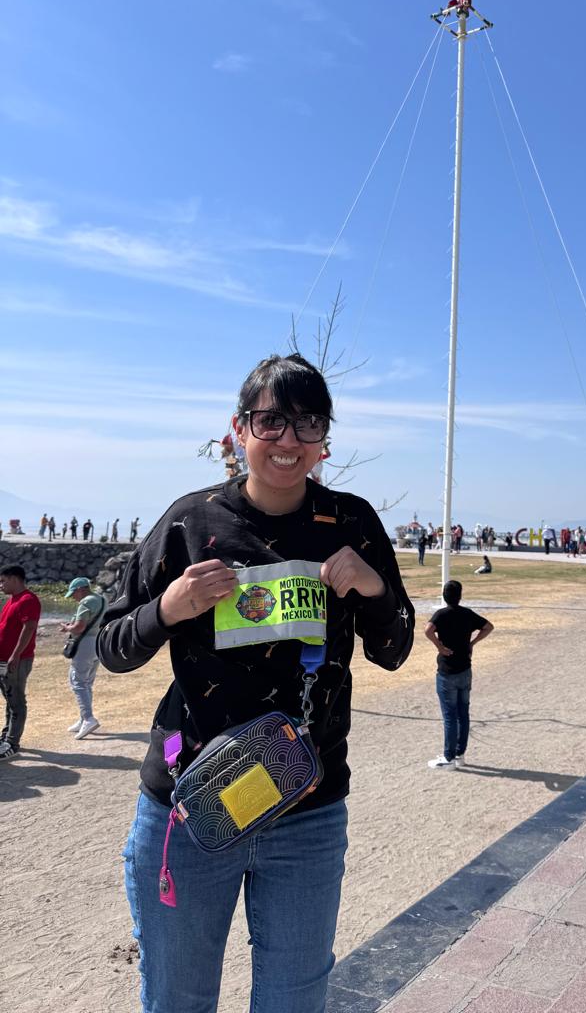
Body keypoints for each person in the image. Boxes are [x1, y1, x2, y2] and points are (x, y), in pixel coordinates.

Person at [97, 352, 414, 1012]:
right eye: (271, 423)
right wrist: (168, 609)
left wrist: (376, 589)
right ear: (237, 431)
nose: (288, 442)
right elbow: (112, 648)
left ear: (325, 439)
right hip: (191, 808)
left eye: (307, 424)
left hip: (307, 811)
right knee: (178, 999)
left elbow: (394, 648)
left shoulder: (351, 523)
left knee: (294, 1002)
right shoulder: (191, 522)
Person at [424, 580, 493, 768]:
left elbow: (427, 630)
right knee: (463, 713)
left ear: (444, 595)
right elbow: (488, 626)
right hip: (465, 669)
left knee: (450, 716)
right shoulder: (467, 614)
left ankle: (448, 757)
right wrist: (472, 643)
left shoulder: (441, 615)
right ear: (460, 595)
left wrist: (439, 646)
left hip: (447, 671)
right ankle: (460, 754)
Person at [0, 565, 41, 761]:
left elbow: (30, 627)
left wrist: (15, 655)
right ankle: (6, 736)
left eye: (3, 581)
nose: (1, 585)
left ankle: (13, 743)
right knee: (9, 699)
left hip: (17, 660)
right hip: (4, 659)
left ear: (15, 579)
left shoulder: (28, 600)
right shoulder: (12, 600)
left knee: (16, 701)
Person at [59, 577, 107, 739]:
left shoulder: (86, 602)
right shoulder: (101, 599)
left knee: (78, 681)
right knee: (87, 682)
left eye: (74, 593)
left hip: (85, 645)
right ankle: (83, 718)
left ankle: (88, 718)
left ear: (81, 589)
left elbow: (79, 627)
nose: (73, 597)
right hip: (98, 643)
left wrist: (67, 628)